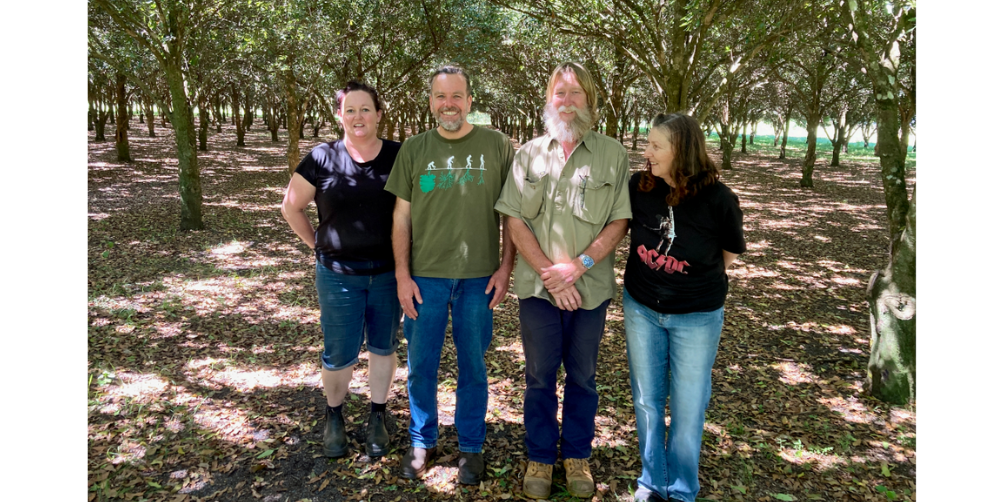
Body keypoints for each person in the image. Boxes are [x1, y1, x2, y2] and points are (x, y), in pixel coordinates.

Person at [495, 62, 632, 500]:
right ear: (548, 99)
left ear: (590, 100)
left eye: (576, 94)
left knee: (583, 377)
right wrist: (552, 276)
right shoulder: (528, 154)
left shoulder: (613, 153)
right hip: (538, 291)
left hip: (589, 290)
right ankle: (539, 455)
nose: (567, 102)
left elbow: (620, 220)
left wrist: (579, 267)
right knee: (538, 376)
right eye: (560, 94)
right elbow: (513, 218)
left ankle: (576, 455)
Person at [384, 65, 516, 485]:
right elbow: (401, 217)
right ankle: (423, 442)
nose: (449, 105)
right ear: (430, 103)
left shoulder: (497, 146)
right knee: (422, 366)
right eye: (441, 97)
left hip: (478, 280)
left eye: (457, 96)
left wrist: (507, 266)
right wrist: (402, 275)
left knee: (473, 366)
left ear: (470, 101)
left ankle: (471, 448)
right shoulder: (414, 149)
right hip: (425, 280)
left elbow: (512, 214)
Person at [623, 113, 745, 502]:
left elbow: (728, 254)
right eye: (648, 143)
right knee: (647, 399)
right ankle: (652, 481)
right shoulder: (639, 187)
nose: (648, 152)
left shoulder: (719, 200)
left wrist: (686, 282)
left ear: (683, 151)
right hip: (641, 308)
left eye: (656, 146)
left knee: (689, 405)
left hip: (696, 316)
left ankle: (681, 489)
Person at [281, 81, 402, 459]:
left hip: (387, 274)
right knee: (339, 352)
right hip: (338, 276)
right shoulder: (321, 158)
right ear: (339, 116)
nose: (358, 117)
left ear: (379, 114)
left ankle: (377, 415)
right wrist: (317, 243)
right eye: (350, 110)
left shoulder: (400, 155)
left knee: (383, 347)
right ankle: (334, 415)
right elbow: (291, 207)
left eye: (365, 109)